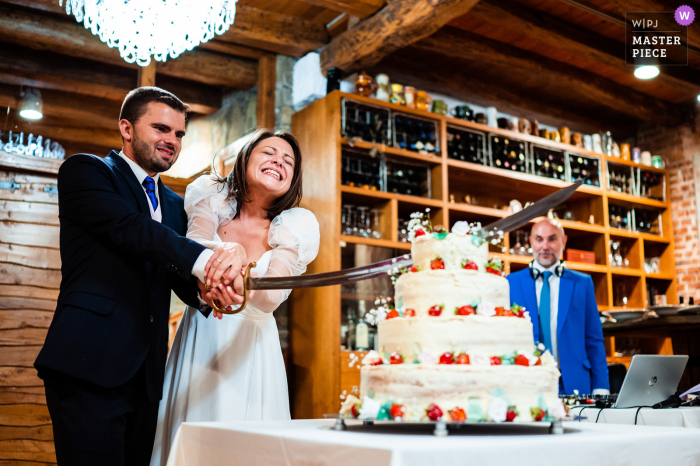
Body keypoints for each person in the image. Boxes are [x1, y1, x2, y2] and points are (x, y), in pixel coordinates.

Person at [34, 87, 242, 466]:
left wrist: (214, 292)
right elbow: (132, 230)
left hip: (146, 375)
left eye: (179, 134)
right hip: (88, 363)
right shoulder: (86, 171)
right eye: (161, 129)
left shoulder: (177, 206)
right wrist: (206, 259)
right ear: (126, 128)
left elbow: (180, 276)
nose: (172, 141)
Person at [149, 129, 320, 466]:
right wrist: (232, 251)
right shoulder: (210, 198)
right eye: (269, 153)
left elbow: (270, 295)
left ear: (293, 177)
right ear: (245, 159)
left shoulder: (294, 227)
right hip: (201, 335)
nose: (277, 162)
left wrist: (230, 273)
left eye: (288, 161)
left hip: (252, 346)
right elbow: (193, 251)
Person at [507, 218, 609, 395]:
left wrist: (601, 385)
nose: (545, 246)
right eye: (539, 239)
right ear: (531, 242)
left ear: (564, 241)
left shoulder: (582, 283)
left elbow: (594, 339)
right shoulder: (511, 282)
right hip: (526, 382)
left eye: (552, 239)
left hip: (574, 382)